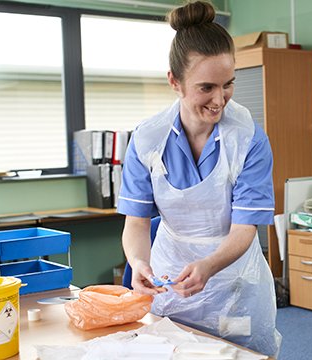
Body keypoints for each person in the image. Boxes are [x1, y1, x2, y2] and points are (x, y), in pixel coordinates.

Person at [117, 1, 280, 356]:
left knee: (237, 353)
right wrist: (139, 263)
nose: (219, 100)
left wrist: (208, 266)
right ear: (174, 81)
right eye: (206, 87)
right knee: (172, 350)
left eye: (228, 85)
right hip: (170, 275)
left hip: (234, 278)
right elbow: (137, 223)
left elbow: (244, 229)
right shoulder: (147, 138)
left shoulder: (248, 137)